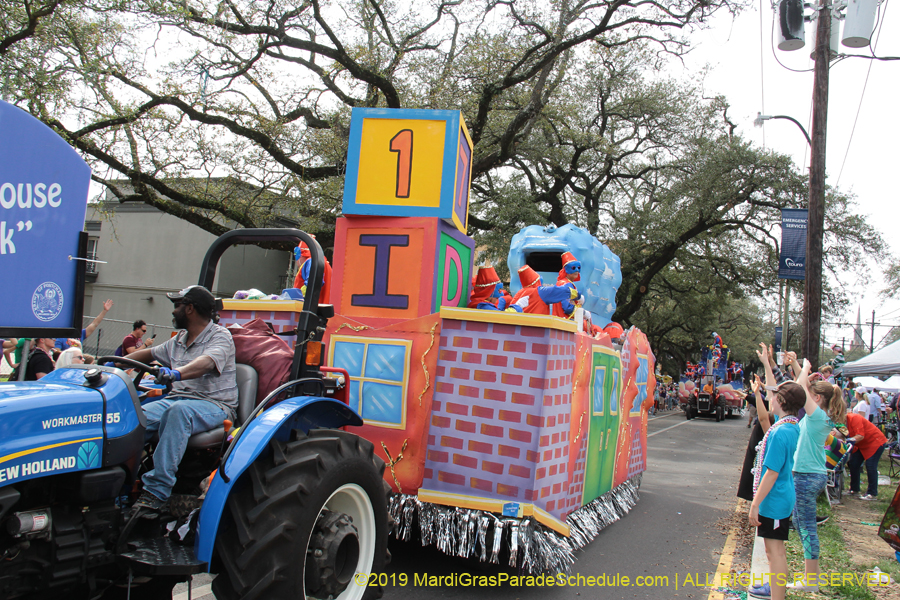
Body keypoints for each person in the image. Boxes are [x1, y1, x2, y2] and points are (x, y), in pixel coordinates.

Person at [124, 285, 237, 513]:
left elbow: (206, 363)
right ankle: (122, 486)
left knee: (178, 412)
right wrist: (113, 363)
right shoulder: (179, 340)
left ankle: (156, 491)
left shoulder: (220, 336)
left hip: (214, 404)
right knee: (134, 417)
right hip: (177, 399)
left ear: (190, 309)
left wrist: (177, 373)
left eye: (177, 306)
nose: (173, 312)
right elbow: (149, 353)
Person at [747, 348, 805, 600]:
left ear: (780, 402)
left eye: (775, 395)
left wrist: (755, 505)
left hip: (775, 499)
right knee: (772, 552)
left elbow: (770, 473)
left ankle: (778, 597)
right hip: (779, 496)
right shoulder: (789, 426)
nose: (772, 397)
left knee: (775, 552)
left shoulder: (781, 432)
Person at [788, 374, 848, 592]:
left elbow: (800, 388)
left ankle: (810, 580)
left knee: (806, 527)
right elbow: (801, 385)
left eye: (812, 396)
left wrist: (803, 367)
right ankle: (811, 577)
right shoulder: (820, 416)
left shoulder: (816, 416)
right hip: (809, 474)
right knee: (803, 524)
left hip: (806, 475)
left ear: (818, 397)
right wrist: (798, 366)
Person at [843, 411, 888, 500]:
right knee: (853, 463)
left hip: (875, 442)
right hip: (861, 445)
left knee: (871, 466)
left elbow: (860, 436)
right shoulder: (841, 424)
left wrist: (847, 441)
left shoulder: (854, 418)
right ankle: (854, 489)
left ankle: (872, 493)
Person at [508, 265, 582, 315]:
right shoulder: (540, 292)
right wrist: (578, 296)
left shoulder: (519, 294)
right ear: (537, 281)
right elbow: (563, 291)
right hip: (537, 331)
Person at [552, 252, 582, 319]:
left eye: (578, 267)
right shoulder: (567, 284)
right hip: (565, 322)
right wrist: (582, 313)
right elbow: (568, 308)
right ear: (566, 270)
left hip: (558, 320)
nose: (577, 270)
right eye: (573, 268)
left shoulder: (560, 283)